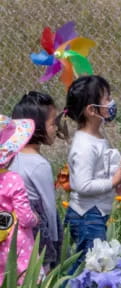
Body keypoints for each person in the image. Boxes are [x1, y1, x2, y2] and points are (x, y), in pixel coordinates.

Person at [61, 75, 121, 273]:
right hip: (87, 216)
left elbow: (98, 170)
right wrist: (113, 181)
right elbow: (81, 185)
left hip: (94, 213)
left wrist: (118, 171)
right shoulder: (85, 146)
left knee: (87, 264)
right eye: (107, 99)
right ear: (92, 110)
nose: (111, 103)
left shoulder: (97, 137)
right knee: (87, 266)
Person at [10, 91, 64, 274]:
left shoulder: (10, 157)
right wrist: (55, 244)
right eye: (52, 123)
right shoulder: (39, 165)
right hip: (36, 231)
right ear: (36, 128)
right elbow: (49, 207)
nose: (56, 128)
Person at [0, 114, 39, 285]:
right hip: (16, 242)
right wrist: (35, 218)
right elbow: (24, 217)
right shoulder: (13, 179)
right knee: (23, 278)